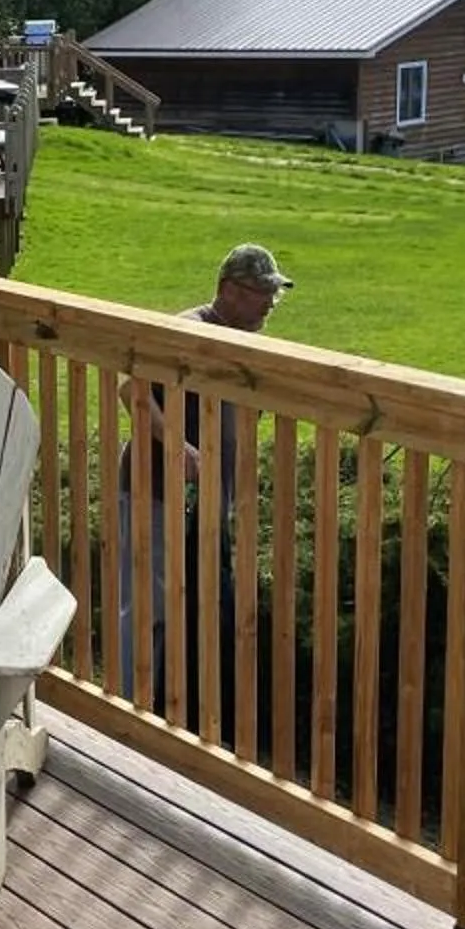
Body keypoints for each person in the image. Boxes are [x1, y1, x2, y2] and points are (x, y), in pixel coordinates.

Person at [119, 243, 292, 707]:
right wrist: (180, 447)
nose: (270, 303)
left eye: (274, 294)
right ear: (229, 291)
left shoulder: (239, 341)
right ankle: (129, 713)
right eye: (262, 293)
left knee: (206, 608)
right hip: (153, 490)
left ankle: (187, 715)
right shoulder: (188, 331)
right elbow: (130, 390)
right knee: (150, 609)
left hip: (205, 503)